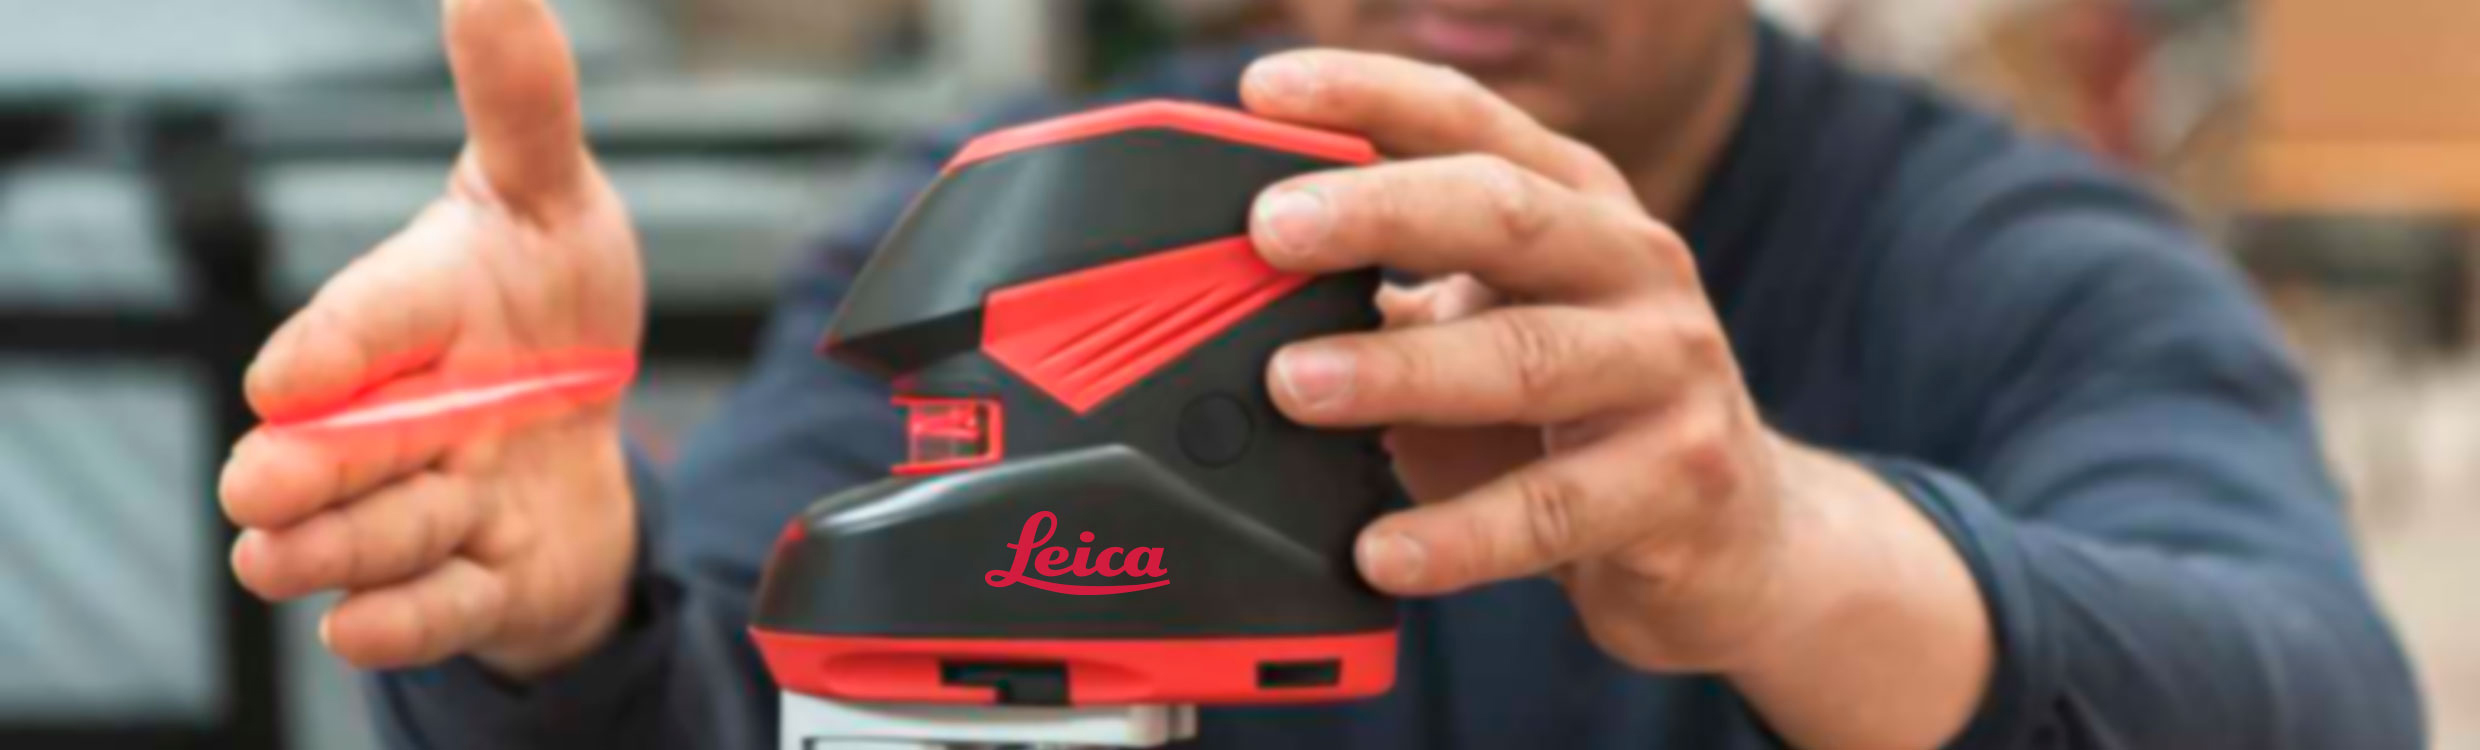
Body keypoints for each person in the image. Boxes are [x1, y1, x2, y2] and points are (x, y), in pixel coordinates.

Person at [216, 0, 2426, 747]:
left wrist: (1779, 549)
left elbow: (2312, 692)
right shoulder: (1032, 214)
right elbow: (732, 694)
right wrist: (569, 622)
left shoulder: (2004, 257)